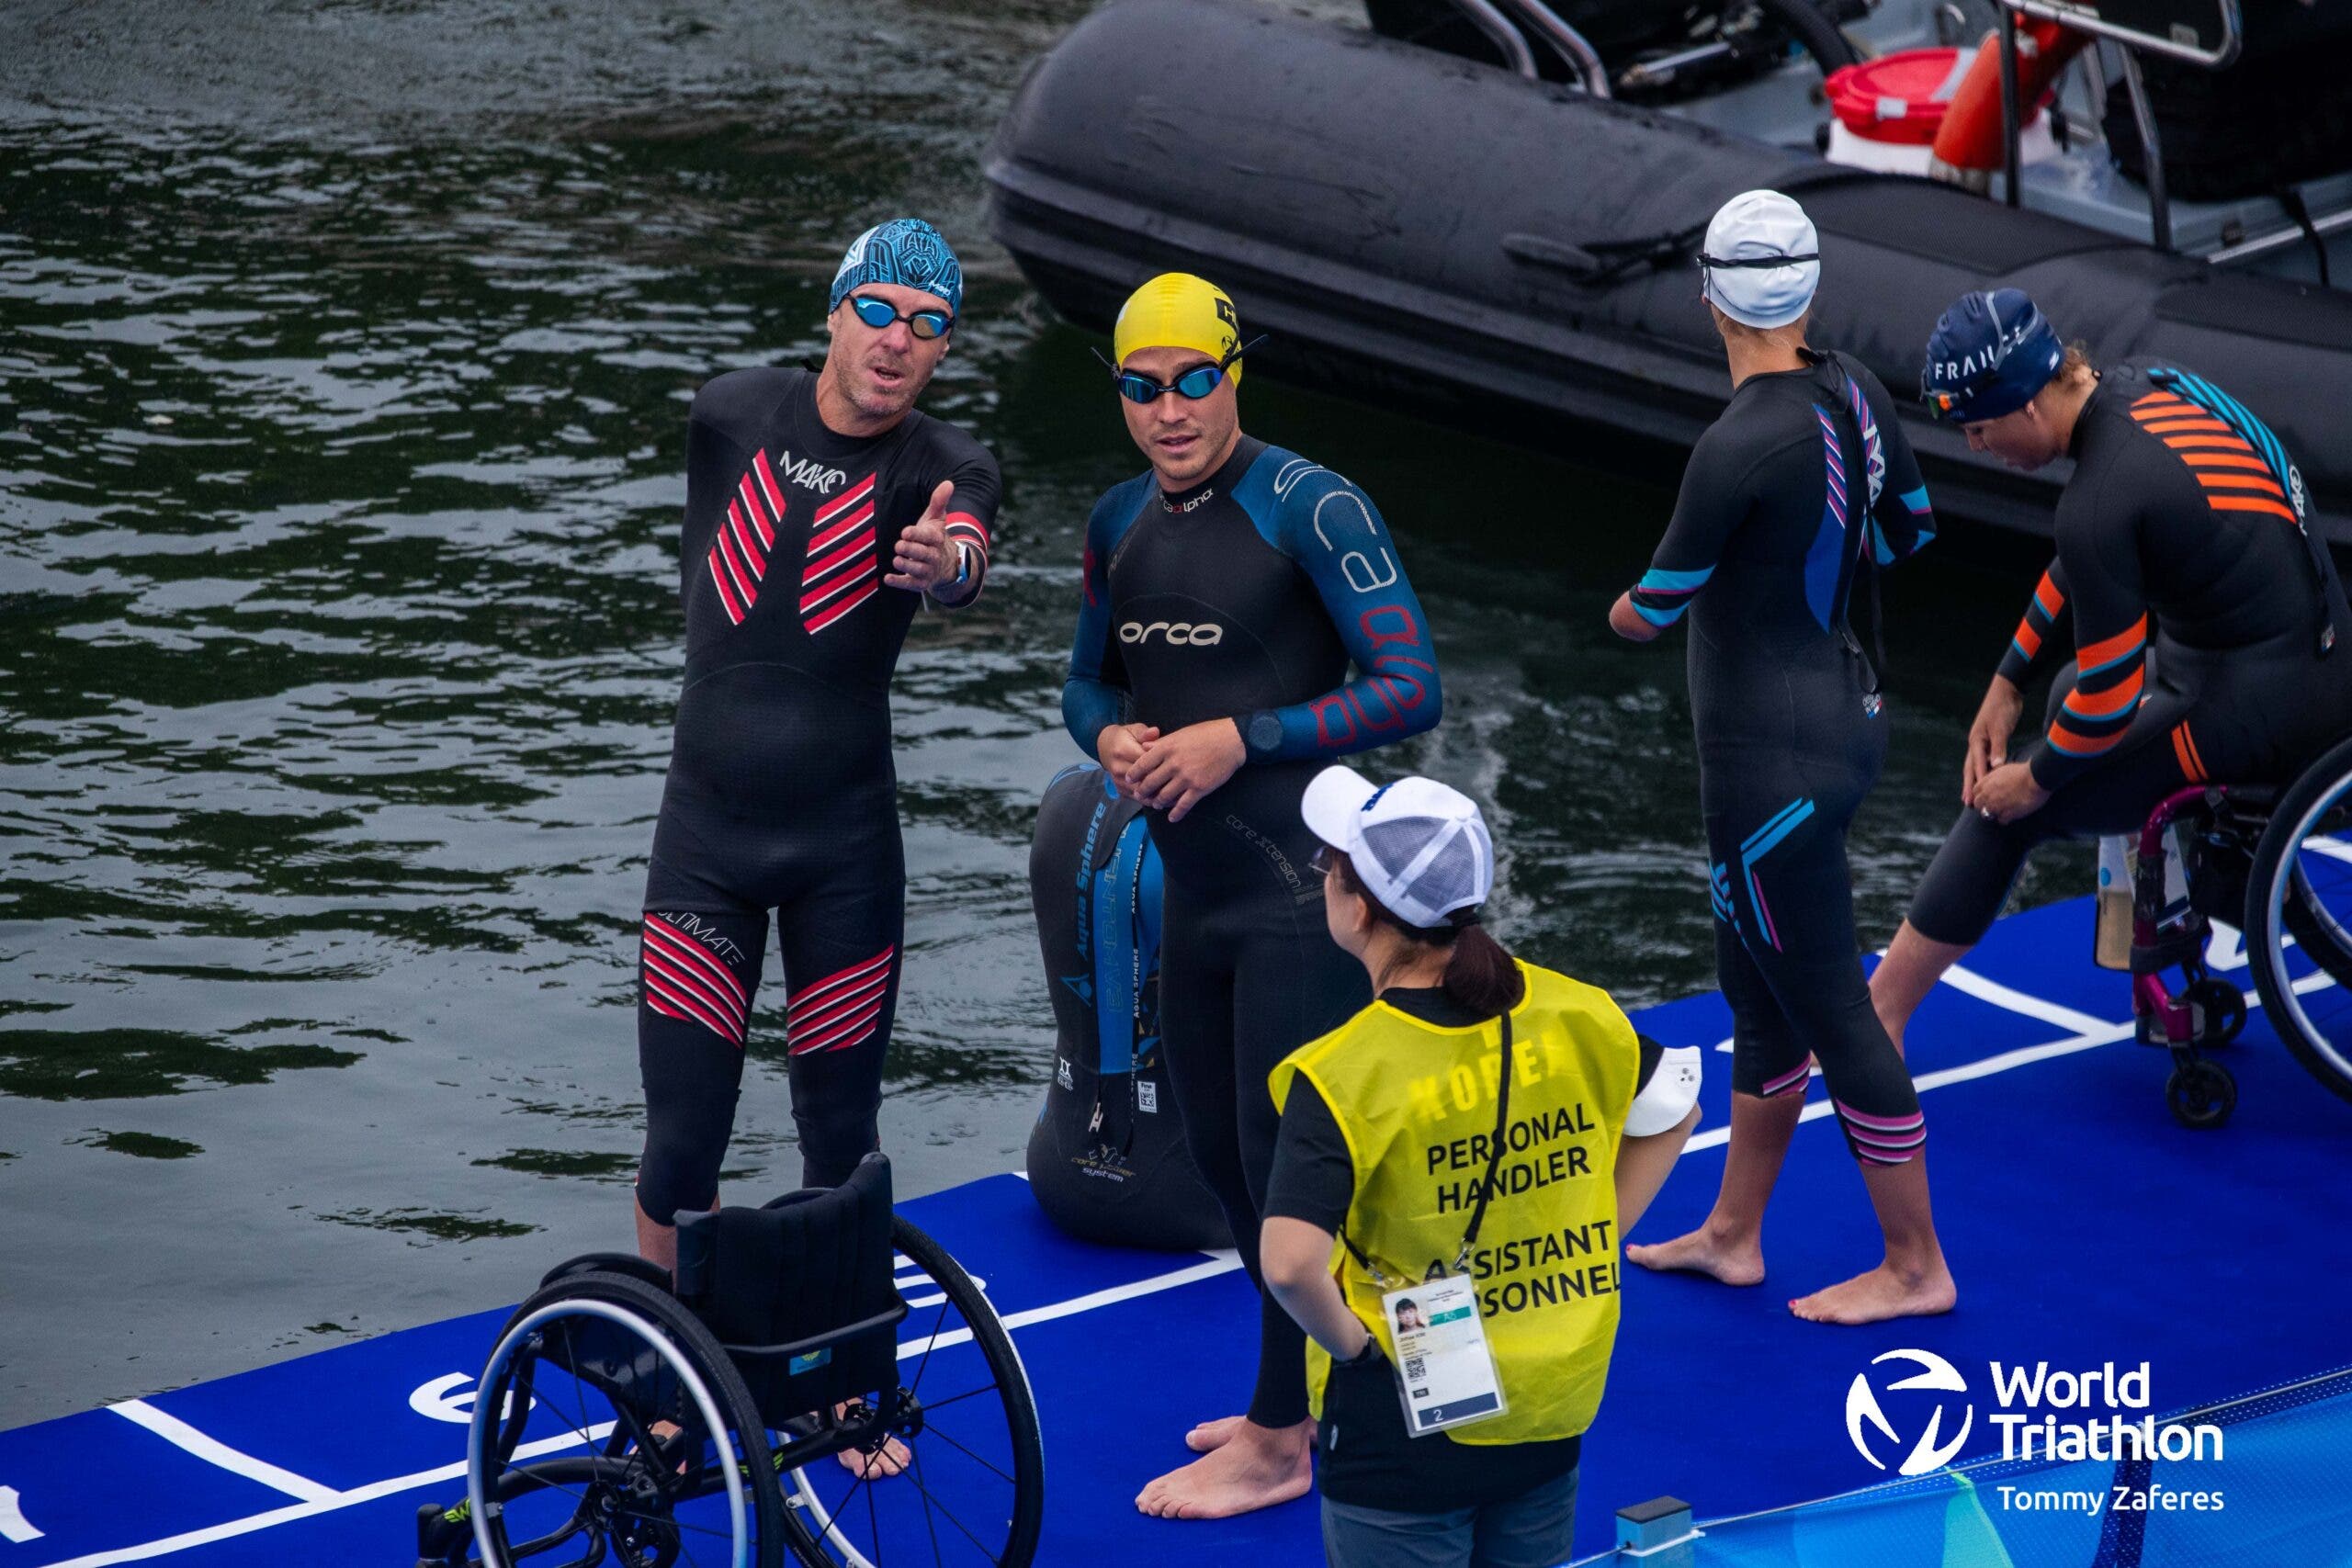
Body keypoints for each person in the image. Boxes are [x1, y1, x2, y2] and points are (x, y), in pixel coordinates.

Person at [1063, 271, 1443, 1517]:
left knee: (1293, 1164)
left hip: (1305, 894)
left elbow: (1408, 686)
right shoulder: (1119, 518)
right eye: (1140, 385)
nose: (1169, 408)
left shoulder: (1312, 506)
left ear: (1236, 374)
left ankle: (1287, 1434)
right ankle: (1312, 1388)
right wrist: (1112, 741)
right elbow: (1085, 684)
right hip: (1198, 894)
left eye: (1193, 380)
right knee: (1227, 1159)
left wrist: (1245, 735)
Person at [1607, 190, 1954, 1325]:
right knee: (1757, 997)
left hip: (1768, 775)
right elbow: (1909, 536)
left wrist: (1621, 605)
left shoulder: (1734, 444)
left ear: (1711, 296)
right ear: (1807, 290)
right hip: (1845, 720)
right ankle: (1732, 1233)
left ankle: (1914, 1266)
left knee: (1832, 1010)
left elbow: (1648, 610)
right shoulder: (1855, 387)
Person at [634, 216, 997, 1278]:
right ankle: (667, 1372)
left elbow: (967, 536)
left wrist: (947, 564)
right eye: (878, 311)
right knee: (681, 1144)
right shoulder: (729, 412)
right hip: (704, 844)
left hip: (843, 853)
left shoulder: (945, 462)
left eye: (928, 326)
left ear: (942, 350)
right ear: (836, 314)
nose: (896, 340)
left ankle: (853, 1383)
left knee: (841, 1138)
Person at [1871, 289, 2352, 1062]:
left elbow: (2109, 701)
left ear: (2028, 405)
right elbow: (2085, 566)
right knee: (2059, 693)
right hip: (2310, 658)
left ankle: (1881, 1015)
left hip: (2261, 707)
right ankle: (2149, 936)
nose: (1976, 447)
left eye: (1980, 428)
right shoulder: (2143, 385)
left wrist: (2034, 780)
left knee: (2013, 809)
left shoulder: (2101, 497)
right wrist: (2007, 679)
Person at [1262, 766, 1701, 1568]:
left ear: (1357, 908)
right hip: (1552, 1409)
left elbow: (1290, 1264)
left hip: (1399, 1425)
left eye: (1333, 866)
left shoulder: (1344, 1072)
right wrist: (1594, 1229)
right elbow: (1677, 1100)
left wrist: (1356, 1347)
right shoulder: (1575, 1009)